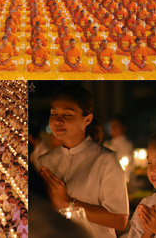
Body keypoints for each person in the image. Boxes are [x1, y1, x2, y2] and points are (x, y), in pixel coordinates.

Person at [39, 86, 129, 238]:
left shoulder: (105, 160)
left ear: (87, 119)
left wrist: (68, 202)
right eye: (54, 113)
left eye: (67, 114)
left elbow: (120, 220)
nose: (58, 120)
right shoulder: (44, 161)